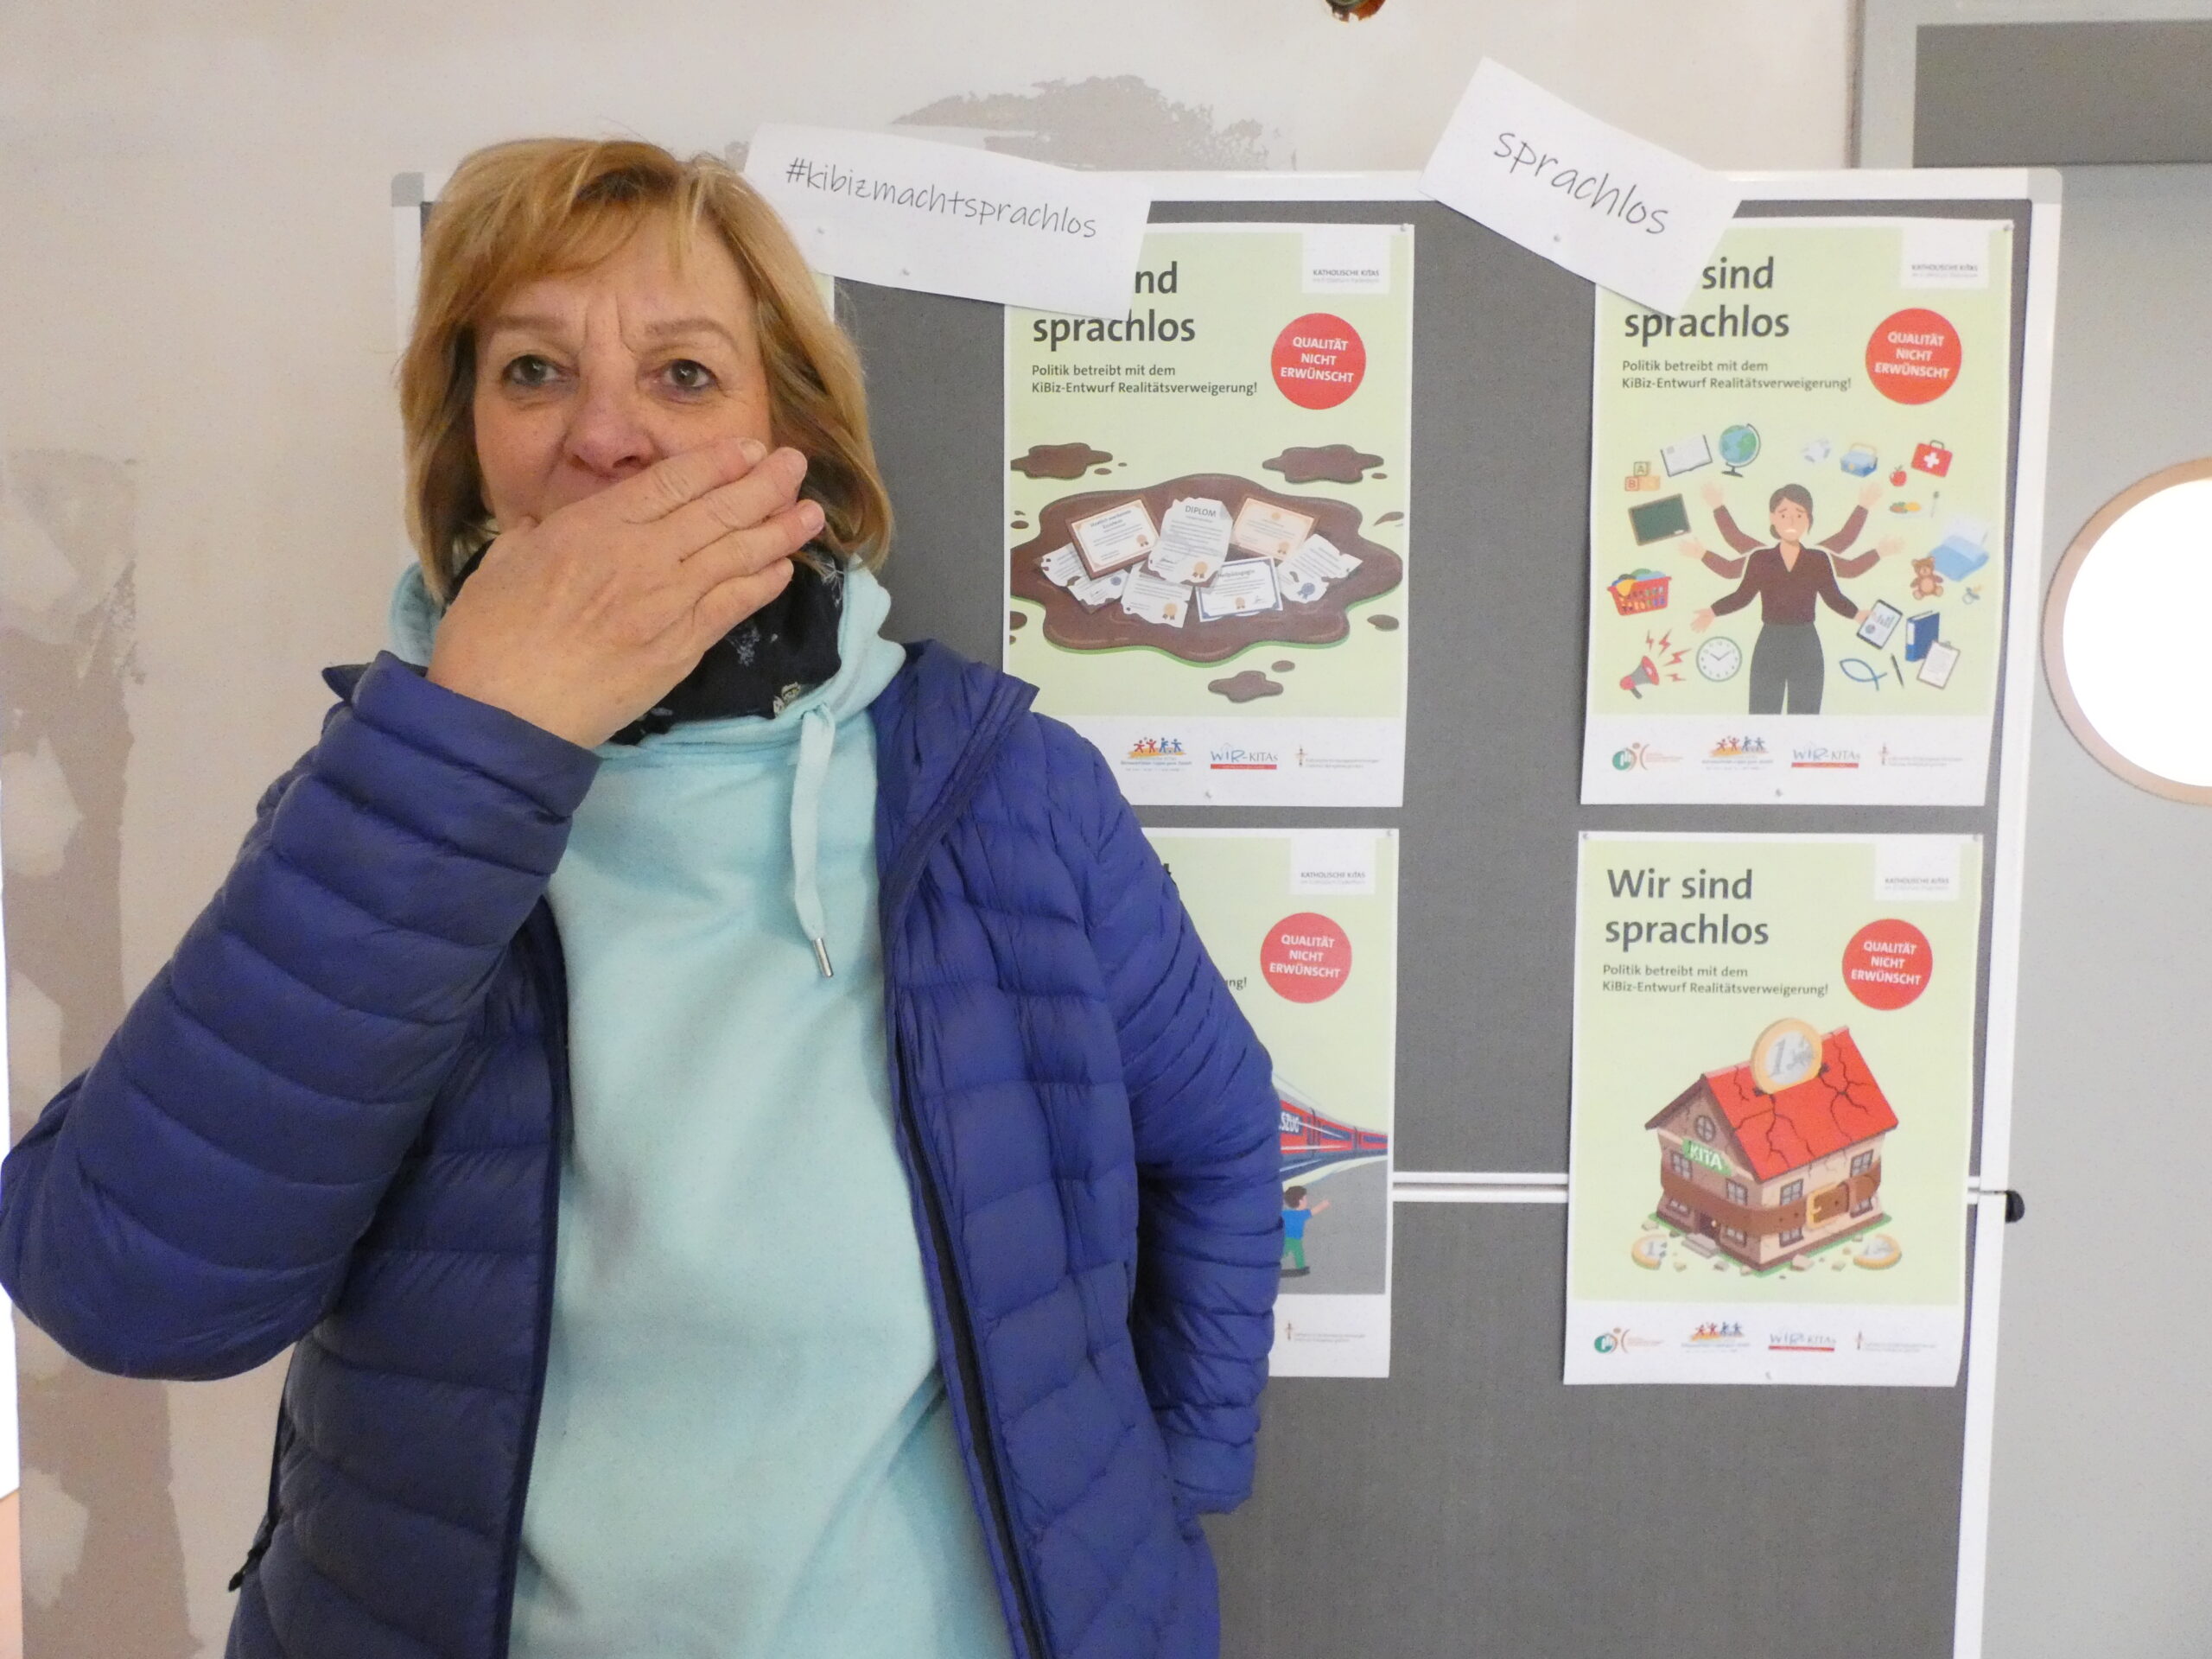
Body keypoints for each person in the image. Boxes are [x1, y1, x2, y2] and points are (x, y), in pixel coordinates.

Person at [0, 138, 1281, 1659]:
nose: (606, 437)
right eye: (534, 372)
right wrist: (475, 739)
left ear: (793, 446)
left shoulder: (1006, 788)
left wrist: (1153, 1493)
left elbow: (1217, 1141)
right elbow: (134, 1293)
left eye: (683, 374)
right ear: (468, 447)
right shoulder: (372, 803)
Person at [1685, 482, 1899, 715]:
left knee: (1805, 714)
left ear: (1808, 520)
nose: (1791, 522)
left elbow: (1833, 597)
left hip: (1806, 643)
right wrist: (1713, 611)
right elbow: (1742, 596)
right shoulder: (1760, 559)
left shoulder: (1818, 559)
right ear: (1772, 518)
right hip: (1770, 643)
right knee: (1763, 713)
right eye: (1783, 514)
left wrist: (1856, 614)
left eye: (1799, 515)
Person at [1279, 1187, 1331, 1278]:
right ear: (1300, 1201)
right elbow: (1314, 1211)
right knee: (1297, 1252)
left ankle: (1299, 1267)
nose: (1307, 1201)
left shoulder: (1284, 1213)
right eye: (1305, 1199)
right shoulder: (1301, 1214)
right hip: (1294, 1239)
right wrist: (1324, 1204)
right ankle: (1300, 1268)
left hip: (1285, 1238)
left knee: (1287, 1251)